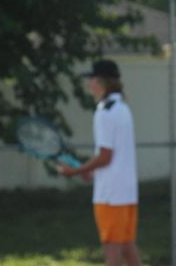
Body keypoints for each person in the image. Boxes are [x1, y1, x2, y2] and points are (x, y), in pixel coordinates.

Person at [59, 58, 140, 266]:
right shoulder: (123, 109)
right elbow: (114, 156)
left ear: (102, 82)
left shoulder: (104, 111)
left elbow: (106, 156)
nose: (89, 84)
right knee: (127, 247)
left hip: (110, 195)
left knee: (112, 250)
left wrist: (75, 171)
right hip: (127, 193)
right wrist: (91, 172)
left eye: (92, 79)